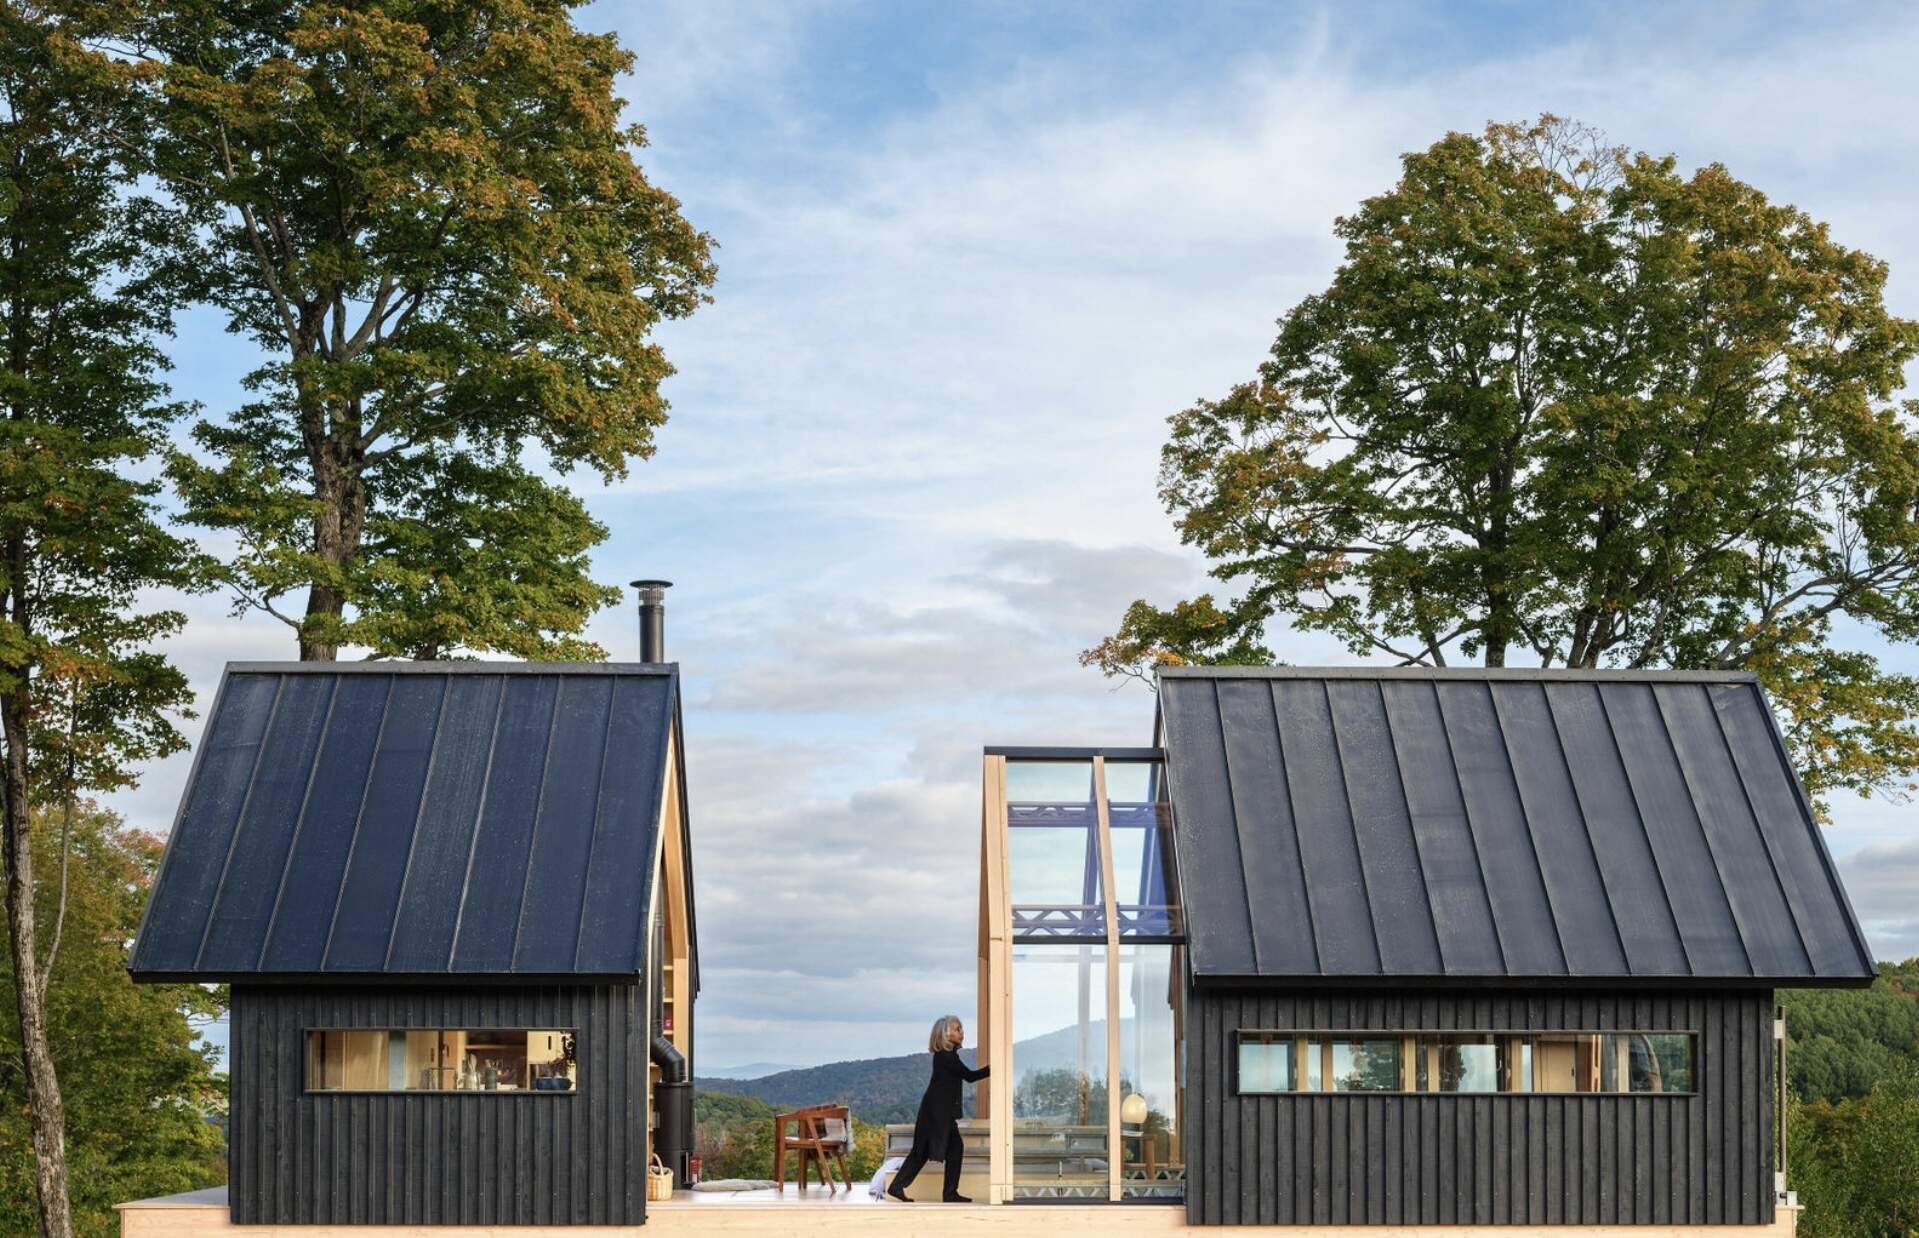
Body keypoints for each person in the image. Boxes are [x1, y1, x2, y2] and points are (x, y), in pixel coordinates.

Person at [886, 1014, 988, 1203]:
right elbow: (970, 1076)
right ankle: (941, 1192)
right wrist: (995, 1067)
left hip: (939, 1112)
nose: (961, 1032)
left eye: (961, 1029)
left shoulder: (948, 1056)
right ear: (945, 1034)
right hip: (936, 1113)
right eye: (957, 1029)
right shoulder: (945, 1057)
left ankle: (946, 1193)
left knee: (948, 1149)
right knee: (924, 1151)